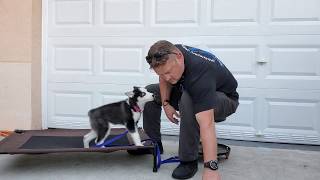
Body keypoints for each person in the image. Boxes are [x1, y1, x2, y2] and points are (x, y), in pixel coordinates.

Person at [129, 40, 239, 180]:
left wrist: (211, 168)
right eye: (162, 74)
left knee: (188, 99)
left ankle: (188, 160)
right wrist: (166, 103)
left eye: (169, 72)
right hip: (192, 90)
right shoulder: (171, 53)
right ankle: (154, 144)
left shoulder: (201, 71)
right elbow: (164, 77)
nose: (166, 77)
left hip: (224, 100)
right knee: (151, 91)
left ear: (179, 57)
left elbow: (207, 124)